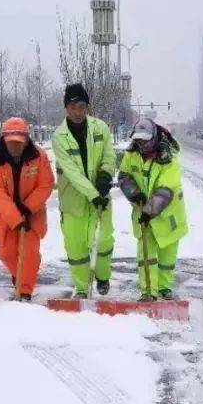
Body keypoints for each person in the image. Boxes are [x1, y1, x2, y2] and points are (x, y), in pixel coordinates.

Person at [51, 83, 116, 299]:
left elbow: (109, 156)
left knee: (104, 240)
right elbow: (71, 172)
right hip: (73, 200)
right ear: (66, 108)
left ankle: (103, 276)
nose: (78, 112)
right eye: (72, 107)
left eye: (81, 106)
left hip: (101, 195)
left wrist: (105, 176)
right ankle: (81, 288)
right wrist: (93, 194)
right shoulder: (59, 136)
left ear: (87, 106)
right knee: (76, 247)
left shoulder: (101, 128)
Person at [118, 117, 189, 301]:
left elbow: (165, 190)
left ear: (155, 137)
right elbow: (124, 176)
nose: (142, 145)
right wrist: (135, 195)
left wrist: (149, 210)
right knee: (146, 256)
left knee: (167, 257)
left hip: (167, 215)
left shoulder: (168, 160)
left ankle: (164, 288)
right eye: (139, 140)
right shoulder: (131, 154)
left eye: (146, 140)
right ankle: (148, 292)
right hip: (143, 213)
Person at [0, 117, 55, 301]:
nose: (14, 146)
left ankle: (24, 291)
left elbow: (46, 184)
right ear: (3, 140)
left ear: (26, 140)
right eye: (11, 143)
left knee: (29, 251)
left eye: (18, 142)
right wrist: (15, 217)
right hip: (3, 213)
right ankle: (19, 275)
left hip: (33, 211)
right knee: (6, 251)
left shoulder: (39, 157)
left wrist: (27, 208)